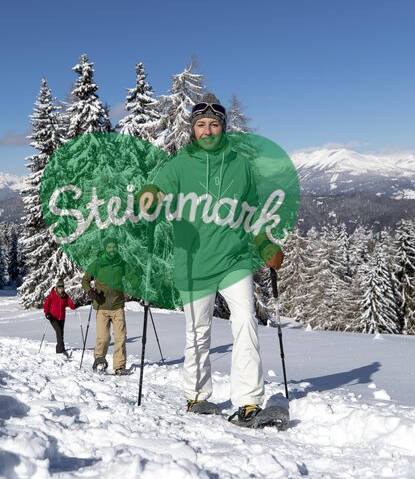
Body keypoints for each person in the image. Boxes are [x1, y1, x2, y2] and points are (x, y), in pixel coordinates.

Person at [138, 93, 285, 424]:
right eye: (201, 125)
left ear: (223, 128)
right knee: (197, 330)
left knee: (246, 320)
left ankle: (248, 401)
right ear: (193, 130)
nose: (207, 131)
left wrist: (264, 244)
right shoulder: (179, 164)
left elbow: (254, 214)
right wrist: (149, 197)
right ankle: (196, 397)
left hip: (234, 260)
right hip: (193, 263)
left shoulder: (240, 166)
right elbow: (157, 189)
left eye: (214, 124)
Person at [82, 237, 138, 375]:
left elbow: (133, 279)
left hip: (118, 306)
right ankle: (100, 362)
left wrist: (139, 283)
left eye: (114, 247)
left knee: (121, 337)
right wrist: (91, 292)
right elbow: (85, 281)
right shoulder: (97, 264)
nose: (112, 249)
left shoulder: (122, 264)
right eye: (109, 247)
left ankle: (119, 367)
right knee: (104, 337)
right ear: (105, 248)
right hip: (101, 307)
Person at [43, 279, 77, 355]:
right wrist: (47, 313)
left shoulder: (65, 296)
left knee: (61, 333)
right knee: (59, 332)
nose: (61, 290)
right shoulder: (52, 295)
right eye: (59, 288)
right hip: (53, 317)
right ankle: (60, 351)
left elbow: (71, 305)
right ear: (57, 287)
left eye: (62, 288)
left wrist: (76, 305)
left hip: (62, 318)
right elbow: (46, 305)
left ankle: (61, 348)